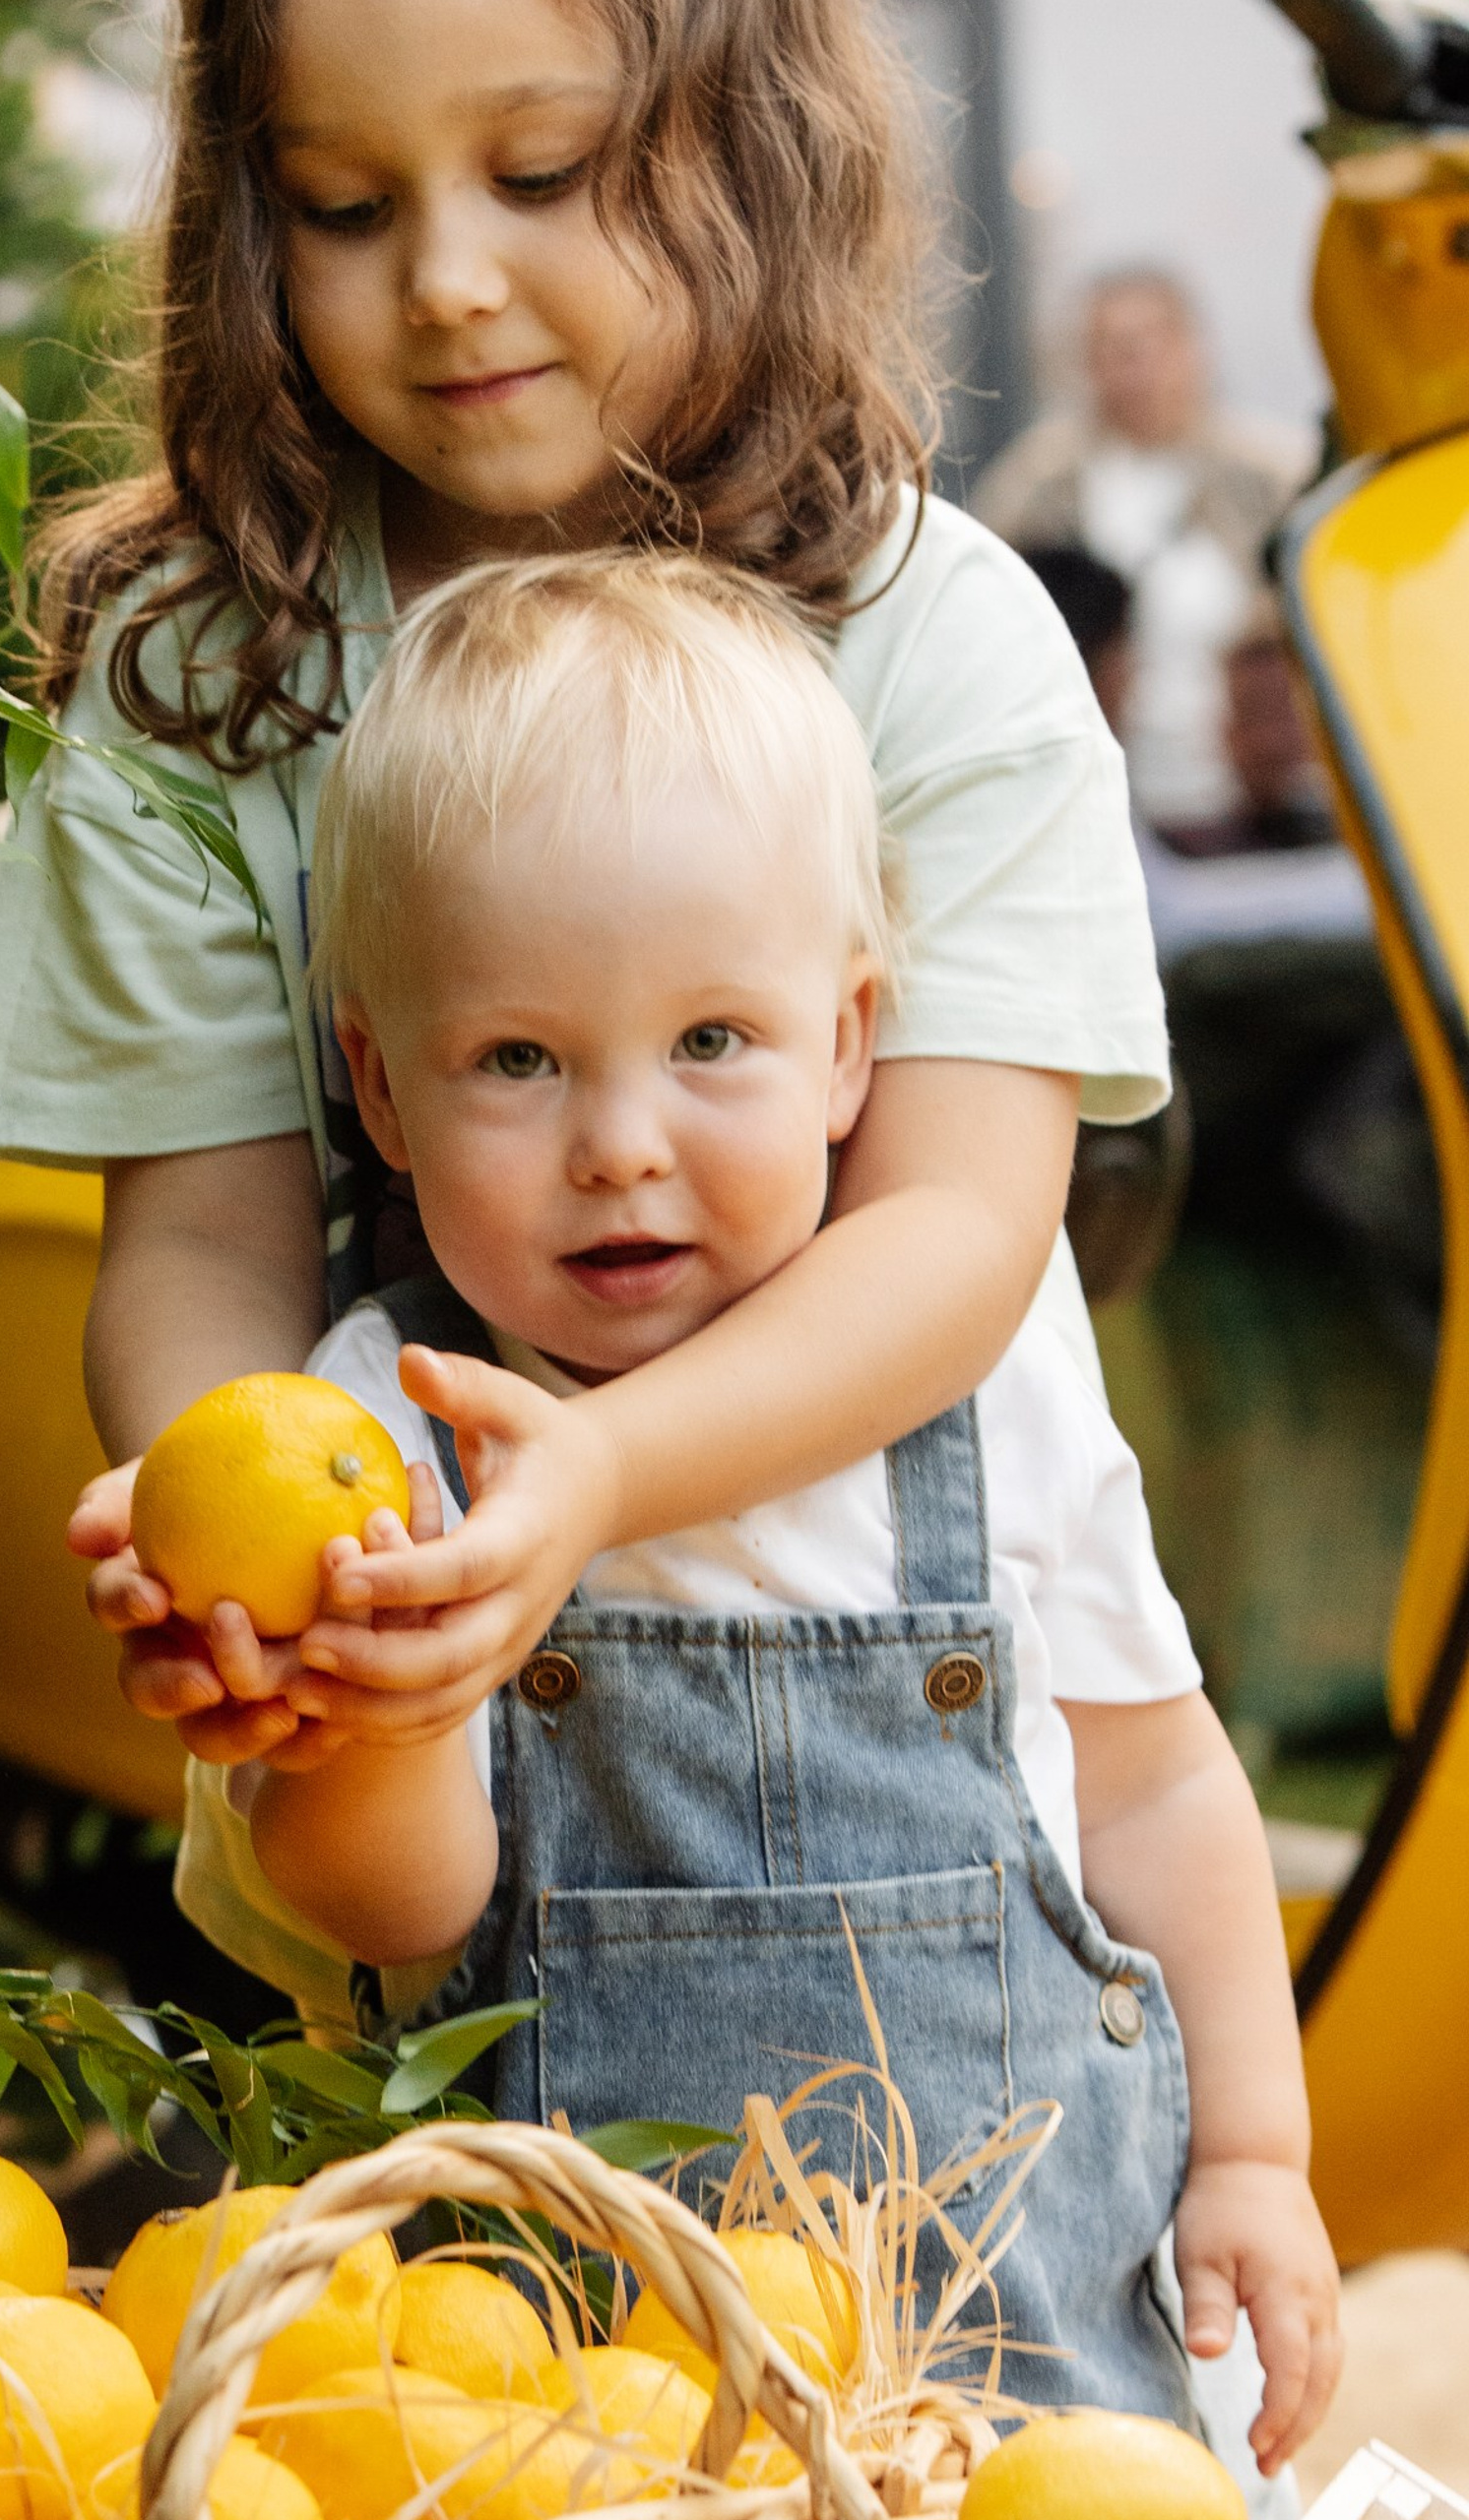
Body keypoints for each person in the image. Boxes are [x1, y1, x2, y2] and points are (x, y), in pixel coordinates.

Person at [0, 0, 1168, 1820]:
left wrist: (588, 1472)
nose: (442, 279)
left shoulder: (932, 638)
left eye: (540, 173)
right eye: (344, 206)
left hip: (912, 1713)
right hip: (414, 1759)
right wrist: (241, 1535)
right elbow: (202, 1248)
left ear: (750, 149)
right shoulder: (201, 678)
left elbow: (957, 1231)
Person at [172, 551, 1339, 2471]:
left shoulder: (977, 1375)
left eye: (709, 1041)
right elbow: (397, 1914)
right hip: (579, 2425)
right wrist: (386, 1699)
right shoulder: (380, 1435)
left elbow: (1150, 1786)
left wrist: (1256, 2152)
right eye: (516, 1058)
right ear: (377, 1089)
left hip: (1026, 2406)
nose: (618, 1137)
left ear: (849, 1044)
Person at [976, 271, 1307, 838]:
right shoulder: (1033, 489)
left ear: (1192, 350)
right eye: (1111, 350)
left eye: (1148, 346)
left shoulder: (1272, 480)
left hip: (1251, 813)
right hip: (1098, 815)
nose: (1133, 370)